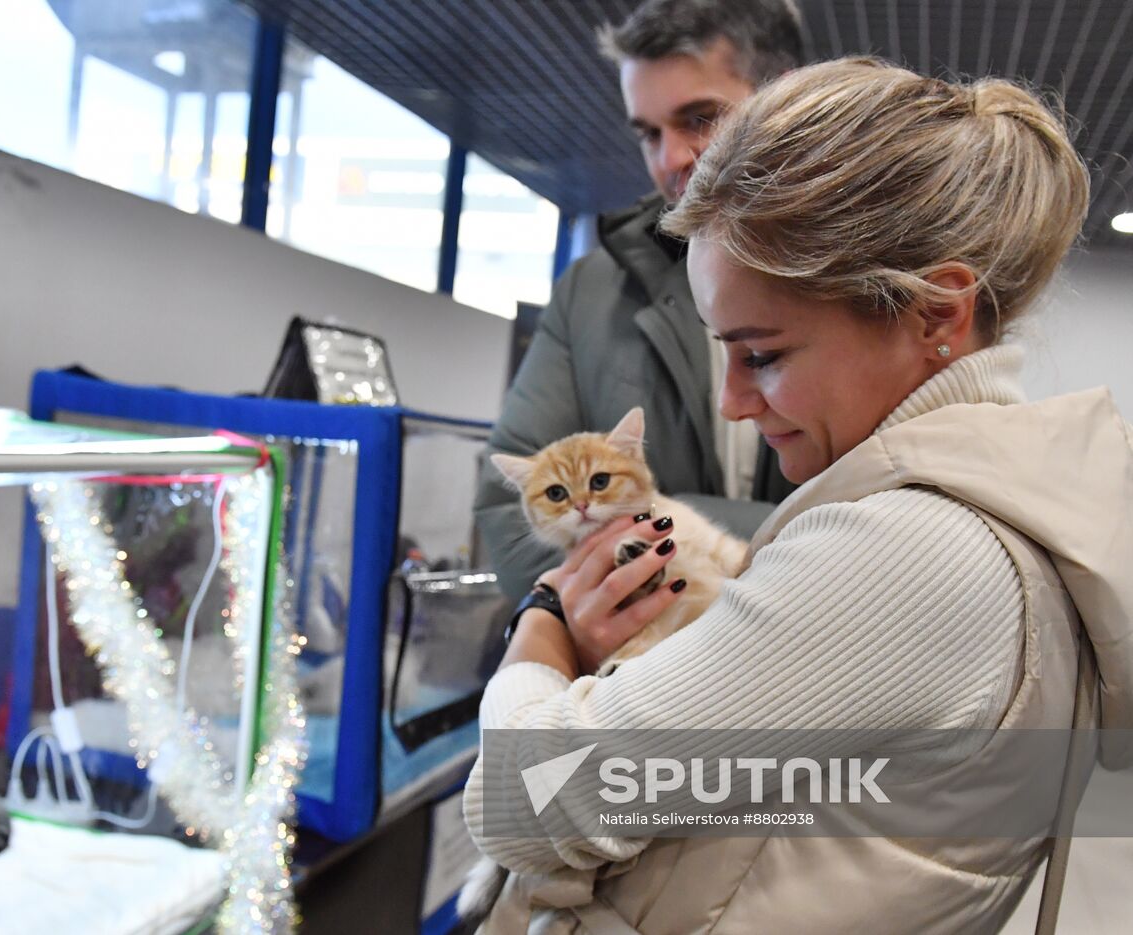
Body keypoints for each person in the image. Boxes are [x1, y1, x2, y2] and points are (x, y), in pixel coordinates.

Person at [462, 58, 1133, 934]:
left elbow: (525, 798)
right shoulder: (1003, 512)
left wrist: (541, 626)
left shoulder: (910, 553)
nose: (733, 402)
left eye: (765, 354)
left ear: (936, 313)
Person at [474, 0, 803, 600]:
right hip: (630, 666)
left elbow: (904, 524)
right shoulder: (593, 290)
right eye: (649, 133)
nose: (671, 158)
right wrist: (557, 615)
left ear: (784, 99)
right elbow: (505, 502)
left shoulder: (874, 272)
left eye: (701, 118)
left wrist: (660, 518)